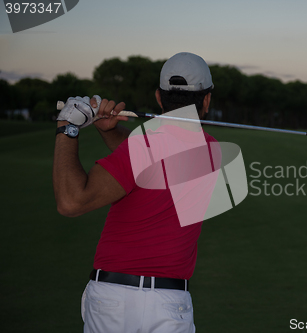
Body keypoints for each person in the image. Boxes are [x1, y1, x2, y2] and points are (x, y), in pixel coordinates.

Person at [53, 52, 217, 333]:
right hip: (170, 304)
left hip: (112, 302)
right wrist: (109, 131)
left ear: (158, 97)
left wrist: (66, 126)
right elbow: (154, 159)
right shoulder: (210, 150)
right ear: (206, 100)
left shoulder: (145, 148)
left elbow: (71, 202)